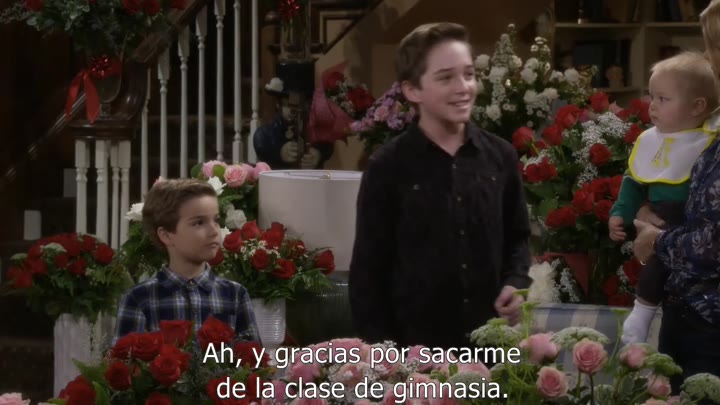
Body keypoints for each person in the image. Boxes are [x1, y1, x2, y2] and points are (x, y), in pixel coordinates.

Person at [348, 22, 531, 350]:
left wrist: (515, 283)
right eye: (446, 78)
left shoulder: (500, 156)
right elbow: (367, 275)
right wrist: (385, 361)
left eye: (469, 74)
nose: (464, 88)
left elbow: (517, 238)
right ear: (412, 90)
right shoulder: (387, 167)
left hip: (489, 352)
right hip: (413, 357)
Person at [632, 1, 720, 393]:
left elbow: (714, 244)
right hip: (687, 317)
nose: (708, 58)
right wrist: (649, 206)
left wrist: (658, 240)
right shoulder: (710, 127)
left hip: (710, 327)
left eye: (713, 45)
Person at [608, 52, 718, 345]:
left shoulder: (708, 142)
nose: (652, 105)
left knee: (660, 264)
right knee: (655, 263)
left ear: (697, 107)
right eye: (652, 96)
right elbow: (633, 182)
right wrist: (621, 212)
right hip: (661, 218)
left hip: (688, 226)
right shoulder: (650, 139)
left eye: (663, 99)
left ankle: (642, 313)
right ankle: (643, 313)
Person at [113, 178, 261, 344]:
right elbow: (124, 359)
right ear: (166, 235)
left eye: (216, 220)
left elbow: (253, 358)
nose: (214, 231)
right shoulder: (139, 299)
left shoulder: (235, 295)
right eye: (199, 223)